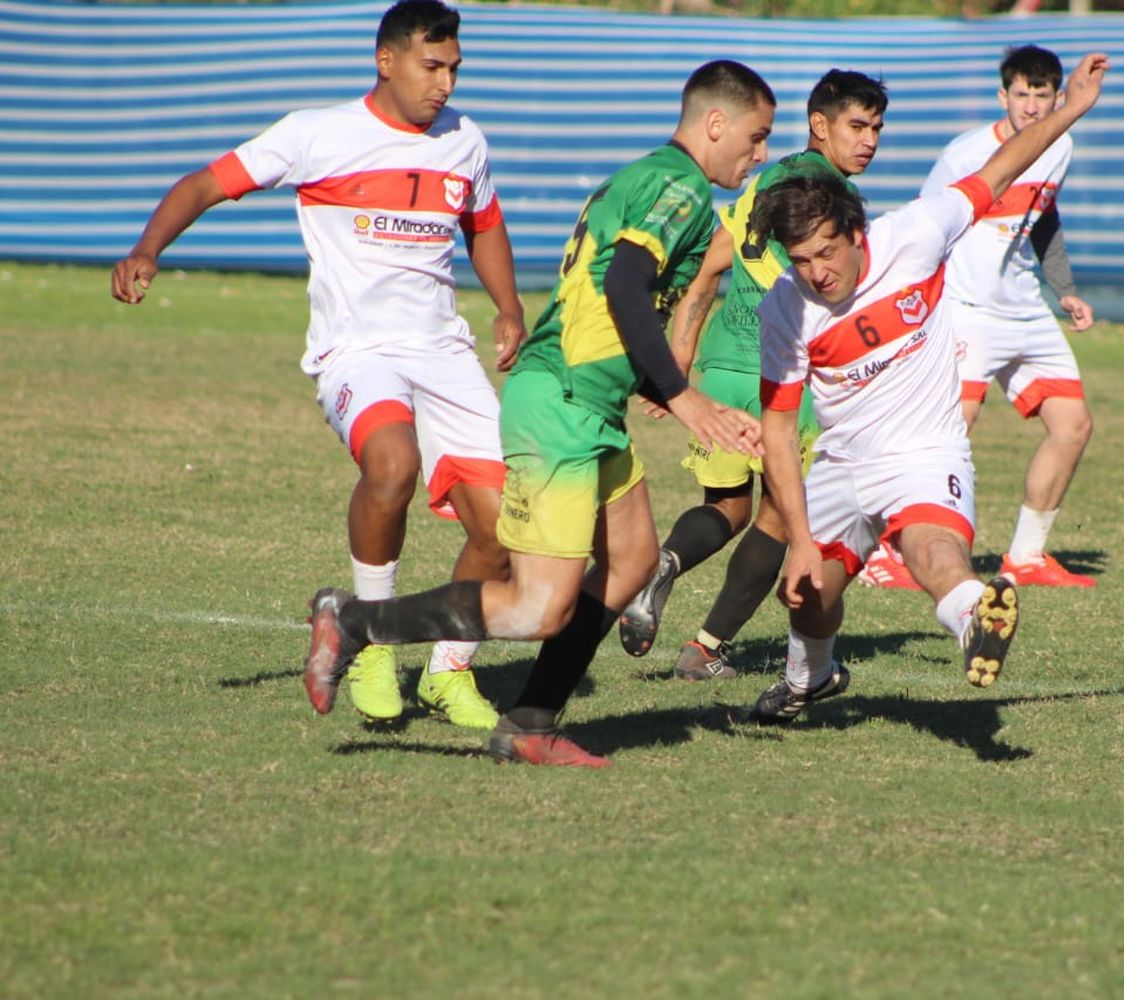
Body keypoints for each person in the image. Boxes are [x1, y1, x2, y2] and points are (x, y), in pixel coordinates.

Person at [302, 60, 777, 767]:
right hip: (560, 403)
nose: (761, 153)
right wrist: (684, 398)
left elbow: (611, 301)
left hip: (591, 403)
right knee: (536, 608)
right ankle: (356, 620)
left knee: (633, 560)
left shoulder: (654, 181)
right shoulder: (675, 184)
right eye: (758, 136)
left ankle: (529, 721)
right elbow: (623, 284)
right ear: (717, 124)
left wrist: (649, 380)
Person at [111, 0, 526, 728]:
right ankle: (367, 640)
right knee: (392, 465)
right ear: (386, 60)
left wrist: (509, 307)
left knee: (505, 528)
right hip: (356, 352)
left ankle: (447, 673)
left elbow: (484, 224)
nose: (446, 85)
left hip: (444, 353)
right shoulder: (316, 133)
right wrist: (149, 248)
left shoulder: (465, 141)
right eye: (432, 67)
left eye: (455, 69)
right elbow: (206, 183)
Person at [745, 52, 1108, 725]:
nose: (816, 274)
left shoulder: (916, 231)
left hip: (925, 453)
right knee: (805, 594)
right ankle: (810, 679)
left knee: (931, 552)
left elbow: (1000, 168)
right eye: (800, 261)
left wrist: (1073, 108)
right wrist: (796, 537)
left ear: (857, 232)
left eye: (827, 253)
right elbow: (776, 431)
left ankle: (976, 615)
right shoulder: (784, 310)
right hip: (842, 461)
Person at [615, 69, 889, 682]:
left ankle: (663, 563)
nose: (869, 140)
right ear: (820, 125)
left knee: (729, 506)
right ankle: (706, 648)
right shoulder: (831, 200)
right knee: (780, 517)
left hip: (722, 365)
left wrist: (678, 367)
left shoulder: (763, 179)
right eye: (857, 126)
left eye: (876, 128)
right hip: (785, 370)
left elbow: (709, 269)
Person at [910, 44, 1098, 588]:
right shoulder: (965, 153)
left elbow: (1043, 217)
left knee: (1073, 426)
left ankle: (1027, 557)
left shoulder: (1059, 147)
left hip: (1024, 311)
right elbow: (926, 227)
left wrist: (1063, 288)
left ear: (1058, 98)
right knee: (949, 429)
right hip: (967, 309)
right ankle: (889, 551)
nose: (1033, 107)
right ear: (1003, 96)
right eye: (1022, 95)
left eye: (1043, 96)